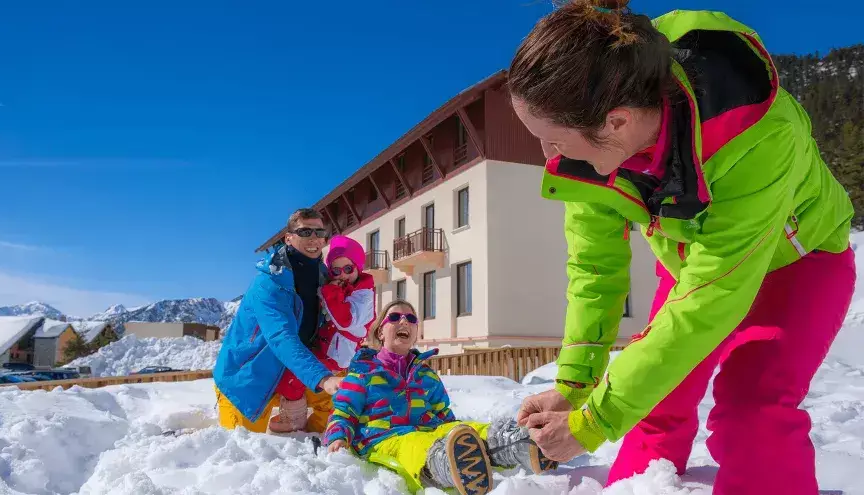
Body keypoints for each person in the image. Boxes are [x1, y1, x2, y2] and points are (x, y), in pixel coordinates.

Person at [506, 2, 855, 494]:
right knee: (655, 398)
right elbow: (595, 270)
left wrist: (593, 423)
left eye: (552, 139)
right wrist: (575, 386)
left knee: (751, 411)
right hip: (696, 263)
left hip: (798, 260)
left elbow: (712, 298)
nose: (547, 155)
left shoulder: (758, 136)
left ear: (617, 121)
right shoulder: (592, 156)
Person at [323, 299, 558, 494]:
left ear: (415, 333)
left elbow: (445, 416)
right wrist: (338, 437)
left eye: (411, 319)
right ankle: (446, 462)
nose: (404, 321)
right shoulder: (363, 373)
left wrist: (463, 431)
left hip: (430, 429)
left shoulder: (425, 375)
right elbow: (343, 412)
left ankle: (518, 442)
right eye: (394, 318)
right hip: (386, 437)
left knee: (468, 428)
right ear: (380, 332)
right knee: (413, 443)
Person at [213, 208, 344, 433]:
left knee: (337, 409)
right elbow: (281, 337)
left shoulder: (326, 278)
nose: (313, 238)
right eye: (305, 232)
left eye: (319, 232)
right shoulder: (269, 283)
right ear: (289, 238)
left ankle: (308, 442)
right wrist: (322, 378)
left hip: (295, 373)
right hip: (249, 378)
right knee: (244, 450)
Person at [269, 235, 376, 433]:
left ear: (358, 269)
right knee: (296, 373)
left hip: (337, 354)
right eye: (336, 270)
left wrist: (329, 292)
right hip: (327, 347)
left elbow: (345, 320)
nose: (342, 275)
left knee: (296, 375)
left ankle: (294, 418)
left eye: (348, 269)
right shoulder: (342, 288)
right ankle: (316, 420)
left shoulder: (364, 296)